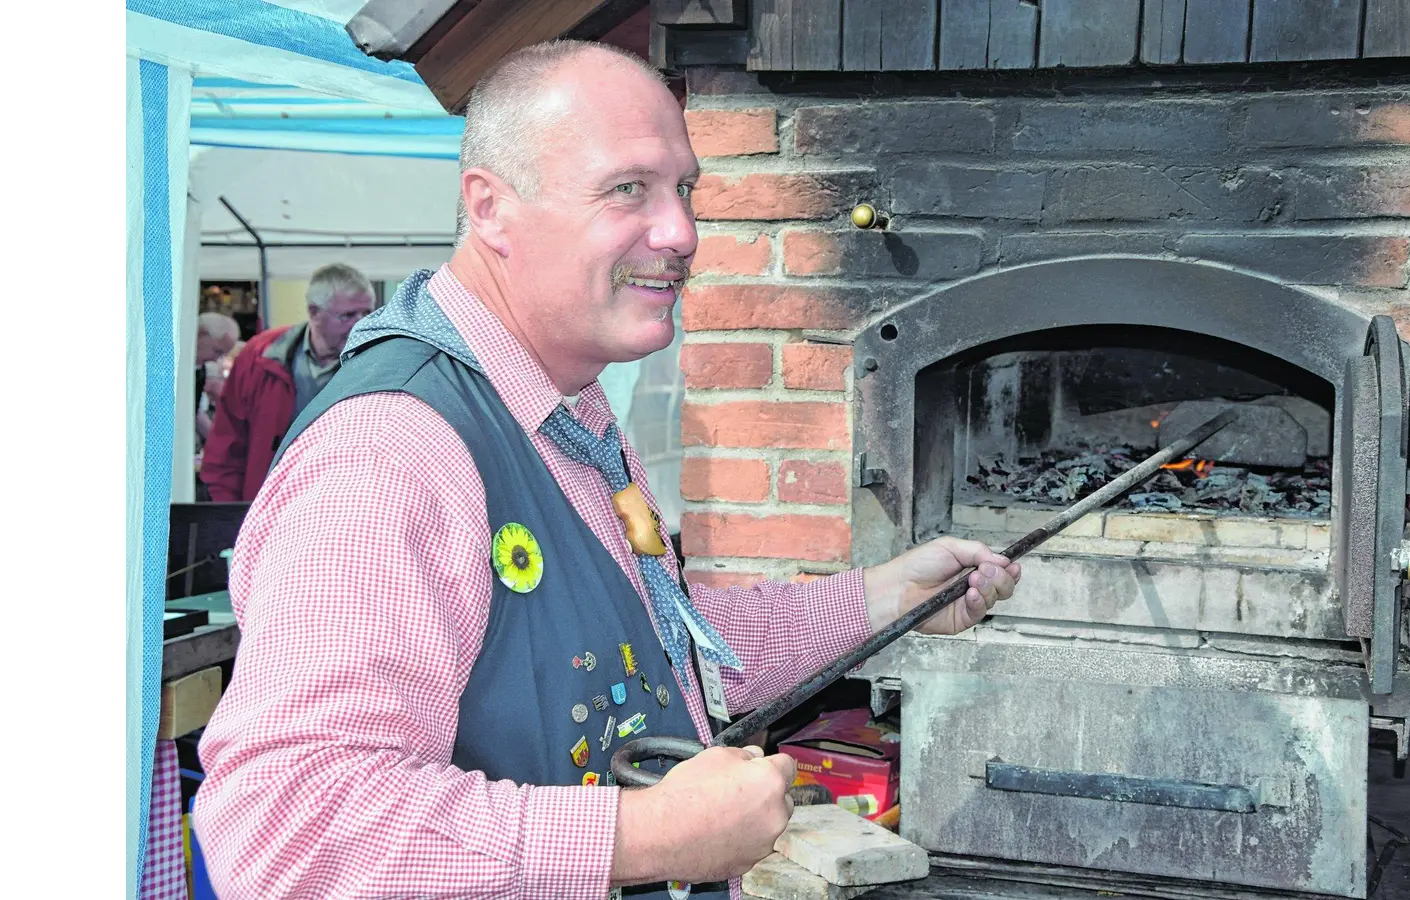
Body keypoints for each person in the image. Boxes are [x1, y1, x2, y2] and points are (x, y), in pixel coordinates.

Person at [192, 41, 1021, 900]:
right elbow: (286, 826)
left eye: (684, 189)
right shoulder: (392, 450)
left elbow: (648, 644)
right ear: (491, 208)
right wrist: (642, 836)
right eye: (628, 189)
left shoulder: (567, 409)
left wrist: (883, 601)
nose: (682, 234)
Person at [197, 263, 375, 502]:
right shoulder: (259, 355)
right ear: (314, 312)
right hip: (266, 504)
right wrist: (230, 512)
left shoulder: (376, 363)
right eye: (347, 316)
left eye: (367, 314)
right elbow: (227, 443)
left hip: (340, 506)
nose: (359, 324)